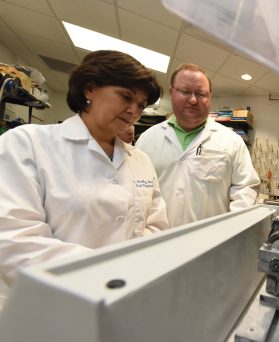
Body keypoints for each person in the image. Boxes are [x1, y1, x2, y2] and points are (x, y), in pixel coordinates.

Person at [0, 50, 169, 301]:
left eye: (141, 105)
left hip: (122, 300)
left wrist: (134, 273)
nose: (134, 111)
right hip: (49, 305)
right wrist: (107, 272)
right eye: (126, 97)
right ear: (90, 89)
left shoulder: (140, 160)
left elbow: (156, 227)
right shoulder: (27, 144)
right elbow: (14, 241)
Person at [136, 63, 260, 227]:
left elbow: (246, 189)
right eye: (185, 92)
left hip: (211, 245)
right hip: (154, 242)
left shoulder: (232, 142)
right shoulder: (147, 140)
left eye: (201, 94)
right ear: (172, 92)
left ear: (210, 96)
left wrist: (231, 230)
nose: (193, 100)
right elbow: (136, 194)